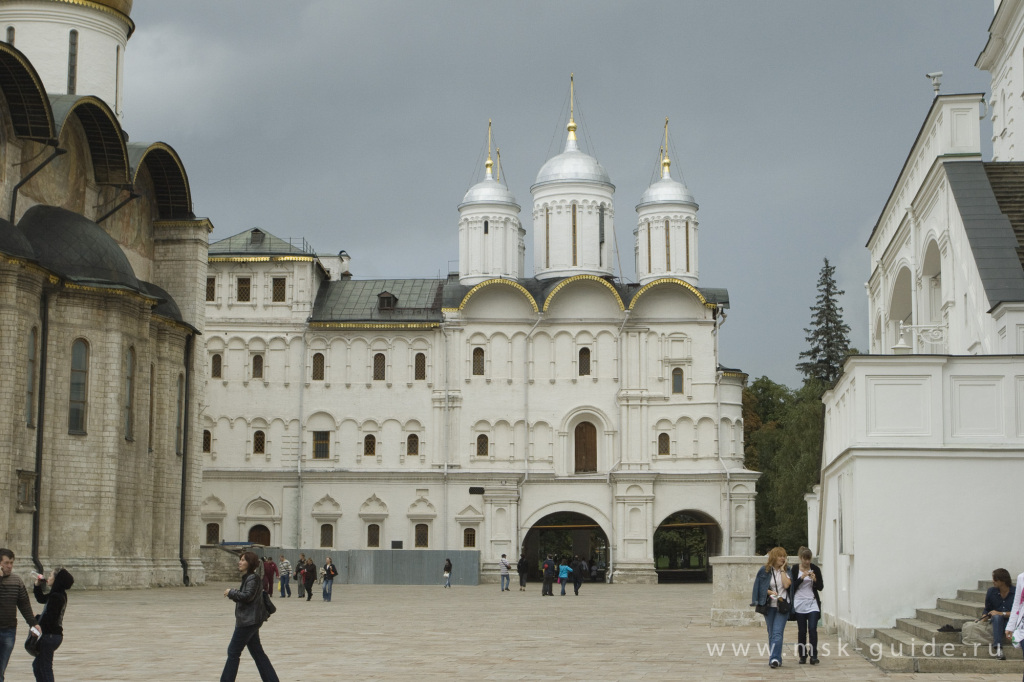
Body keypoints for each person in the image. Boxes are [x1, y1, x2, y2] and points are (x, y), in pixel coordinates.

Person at [221, 551, 278, 682]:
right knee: (258, 653)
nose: (239, 562)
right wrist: (235, 594)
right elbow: (247, 597)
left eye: (243, 560)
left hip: (247, 621)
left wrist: (231, 592)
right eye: (240, 559)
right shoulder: (250, 578)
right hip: (252, 620)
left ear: (250, 563)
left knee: (233, 652)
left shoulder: (252, 578)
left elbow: (247, 596)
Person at [0, 548, 38, 682]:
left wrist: (33, 624)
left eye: (11, 563)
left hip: (9, 630)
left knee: (1, 669)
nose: (9, 566)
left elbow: (24, 605)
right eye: (6, 563)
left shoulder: (16, 581)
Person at [751, 547, 791, 669]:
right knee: (771, 633)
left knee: (777, 632)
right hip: (769, 605)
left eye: (784, 556)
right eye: (780, 556)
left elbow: (786, 585)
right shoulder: (764, 570)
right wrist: (769, 592)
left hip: (782, 605)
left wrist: (782, 570)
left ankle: (774, 658)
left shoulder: (787, 570)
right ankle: (776, 658)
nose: (782, 558)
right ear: (773, 557)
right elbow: (759, 587)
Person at [31, 567, 73, 682]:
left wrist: (36, 618)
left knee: (45, 668)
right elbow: (41, 599)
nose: (48, 578)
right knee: (37, 666)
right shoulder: (58, 594)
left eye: (50, 575)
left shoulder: (56, 597)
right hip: (54, 635)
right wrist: (37, 585)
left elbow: (50, 619)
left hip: (50, 635)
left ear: (56, 580)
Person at [964, 568, 1015, 659]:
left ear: (1003, 581)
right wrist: (984, 617)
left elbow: (1018, 613)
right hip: (996, 622)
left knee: (998, 616)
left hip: (1011, 622)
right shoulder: (991, 592)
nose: (993, 581)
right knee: (996, 618)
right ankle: (998, 648)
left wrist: (1001, 613)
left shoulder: (1015, 592)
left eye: (995, 579)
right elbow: (987, 609)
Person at [789, 546, 824, 665]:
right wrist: (801, 578)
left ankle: (814, 655)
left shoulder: (815, 569)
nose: (807, 562)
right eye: (805, 559)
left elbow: (820, 587)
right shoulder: (795, 569)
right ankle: (803, 655)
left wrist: (815, 580)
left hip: (812, 602)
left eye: (809, 559)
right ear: (800, 558)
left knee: (813, 629)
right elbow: (791, 587)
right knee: (802, 631)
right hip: (799, 603)